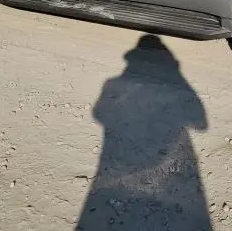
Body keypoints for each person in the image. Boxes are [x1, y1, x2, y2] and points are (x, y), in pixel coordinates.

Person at [77, 34, 212, 230]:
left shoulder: (111, 83)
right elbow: (202, 124)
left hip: (120, 170)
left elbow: (98, 114)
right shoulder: (179, 83)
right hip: (167, 176)